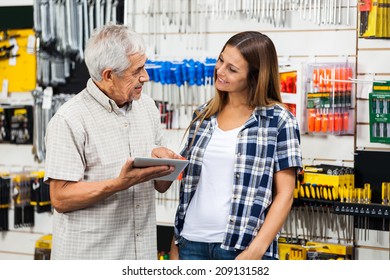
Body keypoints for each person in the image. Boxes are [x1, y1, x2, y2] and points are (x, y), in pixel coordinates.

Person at [44, 23, 181, 260]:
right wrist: (120, 183)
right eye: (137, 70)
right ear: (108, 75)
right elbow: (61, 198)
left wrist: (167, 167)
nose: (145, 77)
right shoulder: (69, 119)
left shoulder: (146, 107)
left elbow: (160, 186)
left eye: (144, 67)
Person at [170, 31, 303, 260]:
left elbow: (285, 195)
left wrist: (255, 251)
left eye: (232, 69)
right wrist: (176, 243)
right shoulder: (203, 115)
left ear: (254, 77)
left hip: (240, 248)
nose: (220, 71)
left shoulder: (279, 120)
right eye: (221, 60)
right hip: (191, 244)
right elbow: (188, 188)